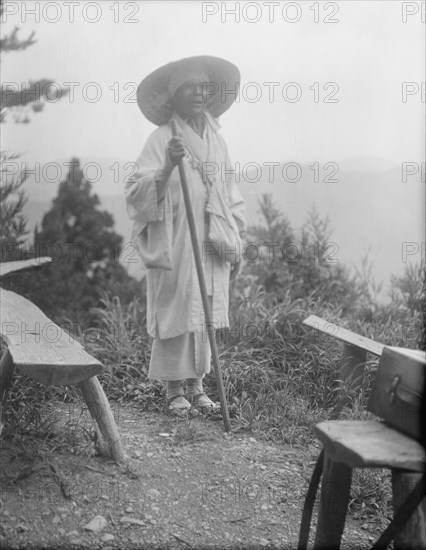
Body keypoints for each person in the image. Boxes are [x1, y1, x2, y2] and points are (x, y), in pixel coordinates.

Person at [125, 56, 246, 416]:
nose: (200, 93)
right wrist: (165, 168)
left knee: (205, 306)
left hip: (211, 239)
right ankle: (174, 388)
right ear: (174, 95)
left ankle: (198, 386)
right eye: (190, 87)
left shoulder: (217, 140)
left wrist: (237, 231)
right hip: (176, 238)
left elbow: (229, 189)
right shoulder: (162, 138)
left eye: (205, 87)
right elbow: (135, 192)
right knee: (177, 305)